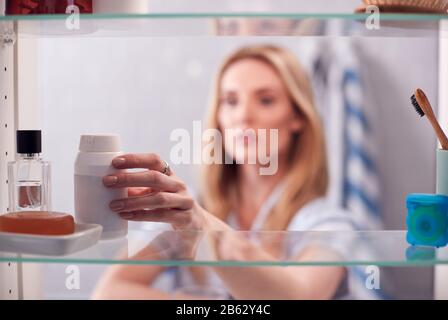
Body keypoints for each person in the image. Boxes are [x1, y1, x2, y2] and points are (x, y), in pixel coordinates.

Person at [92, 44, 362, 300]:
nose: (243, 116)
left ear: (297, 118)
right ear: (218, 118)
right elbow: (109, 291)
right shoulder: (182, 208)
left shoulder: (328, 224)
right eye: (231, 101)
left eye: (266, 100)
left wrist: (201, 226)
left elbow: (300, 296)